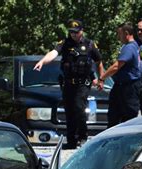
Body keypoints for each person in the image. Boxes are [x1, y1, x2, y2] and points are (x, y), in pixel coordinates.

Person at [34, 19, 105, 149]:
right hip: (68, 83)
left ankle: (83, 137)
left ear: (81, 31)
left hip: (83, 83)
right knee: (70, 111)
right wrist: (43, 61)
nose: (73, 35)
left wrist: (101, 79)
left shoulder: (89, 45)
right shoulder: (65, 44)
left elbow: (99, 61)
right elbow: (53, 53)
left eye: (76, 32)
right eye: (71, 32)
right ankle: (71, 140)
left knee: (79, 107)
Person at [99, 22, 142, 127]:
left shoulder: (129, 47)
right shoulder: (132, 45)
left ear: (126, 33)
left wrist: (102, 78)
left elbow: (116, 66)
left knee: (127, 118)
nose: (118, 37)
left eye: (120, 34)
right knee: (114, 115)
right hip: (122, 86)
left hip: (128, 88)